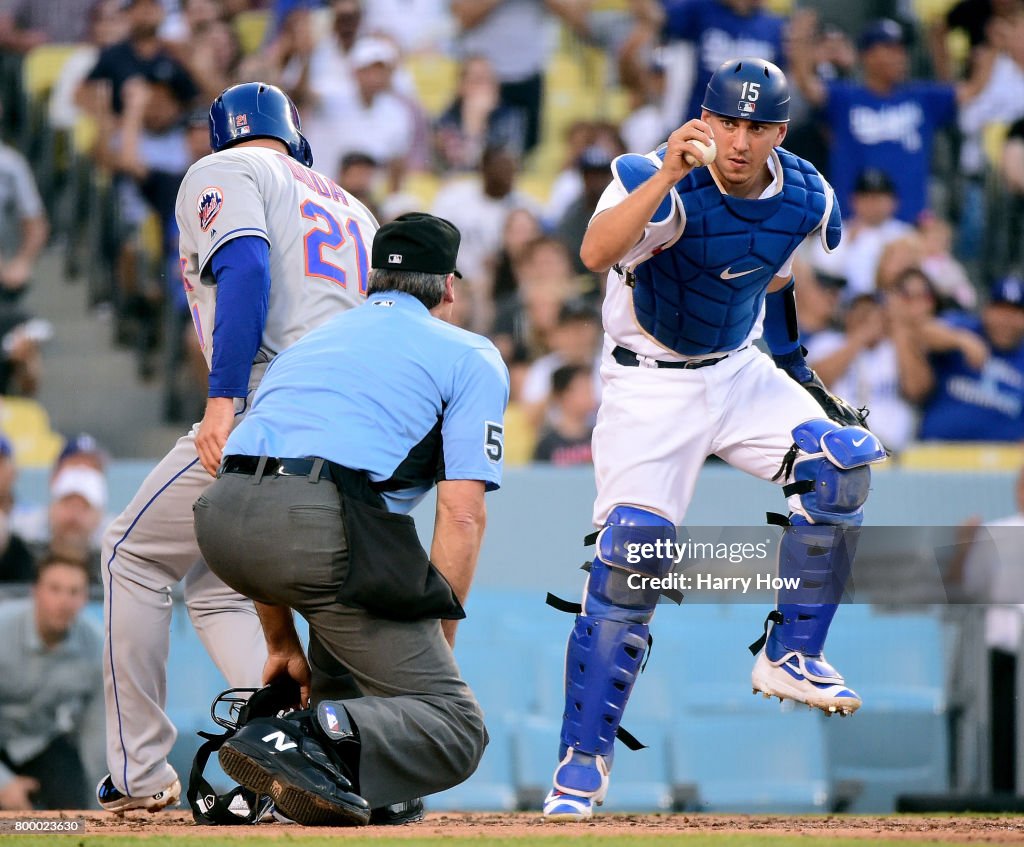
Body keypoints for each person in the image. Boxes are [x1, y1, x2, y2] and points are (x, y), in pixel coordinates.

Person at [540, 58, 887, 821]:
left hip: (737, 369)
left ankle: (793, 652)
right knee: (631, 553)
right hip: (650, 379)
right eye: (727, 121)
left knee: (842, 464)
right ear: (704, 118)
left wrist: (802, 377)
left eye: (756, 126)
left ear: (780, 132)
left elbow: (773, 275)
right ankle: (580, 768)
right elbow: (596, 253)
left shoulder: (804, 192)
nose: (738, 139)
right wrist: (665, 171)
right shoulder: (650, 175)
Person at [97, 81, 378, 814]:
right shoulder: (355, 206)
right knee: (218, 581)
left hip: (268, 404)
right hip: (353, 422)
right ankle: (293, 751)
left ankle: (139, 773)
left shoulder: (224, 170)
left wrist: (224, 400)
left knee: (130, 551)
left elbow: (246, 266)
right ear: (292, 134)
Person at [192, 213, 509, 825]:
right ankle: (286, 738)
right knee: (452, 726)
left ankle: (320, 767)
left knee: (347, 695)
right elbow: (463, 515)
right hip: (319, 523)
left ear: (370, 282)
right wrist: (434, 645)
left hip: (222, 518)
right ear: (449, 289)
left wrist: (282, 642)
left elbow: (258, 477)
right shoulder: (470, 352)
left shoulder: (309, 344)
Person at [0, 553, 104, 810]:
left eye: (74, 591)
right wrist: (3, 784)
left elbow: (97, 733)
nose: (64, 601)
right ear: (35, 591)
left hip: (40, 742)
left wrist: (99, 805)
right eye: (54, 589)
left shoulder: (96, 645)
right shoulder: (2, 629)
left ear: (85, 599)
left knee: (74, 814)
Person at [919, 275, 1024, 441]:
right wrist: (959, 340)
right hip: (937, 453)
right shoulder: (967, 327)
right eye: (1000, 311)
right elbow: (923, 330)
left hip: (1002, 460)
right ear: (987, 310)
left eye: (1015, 313)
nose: (1006, 320)